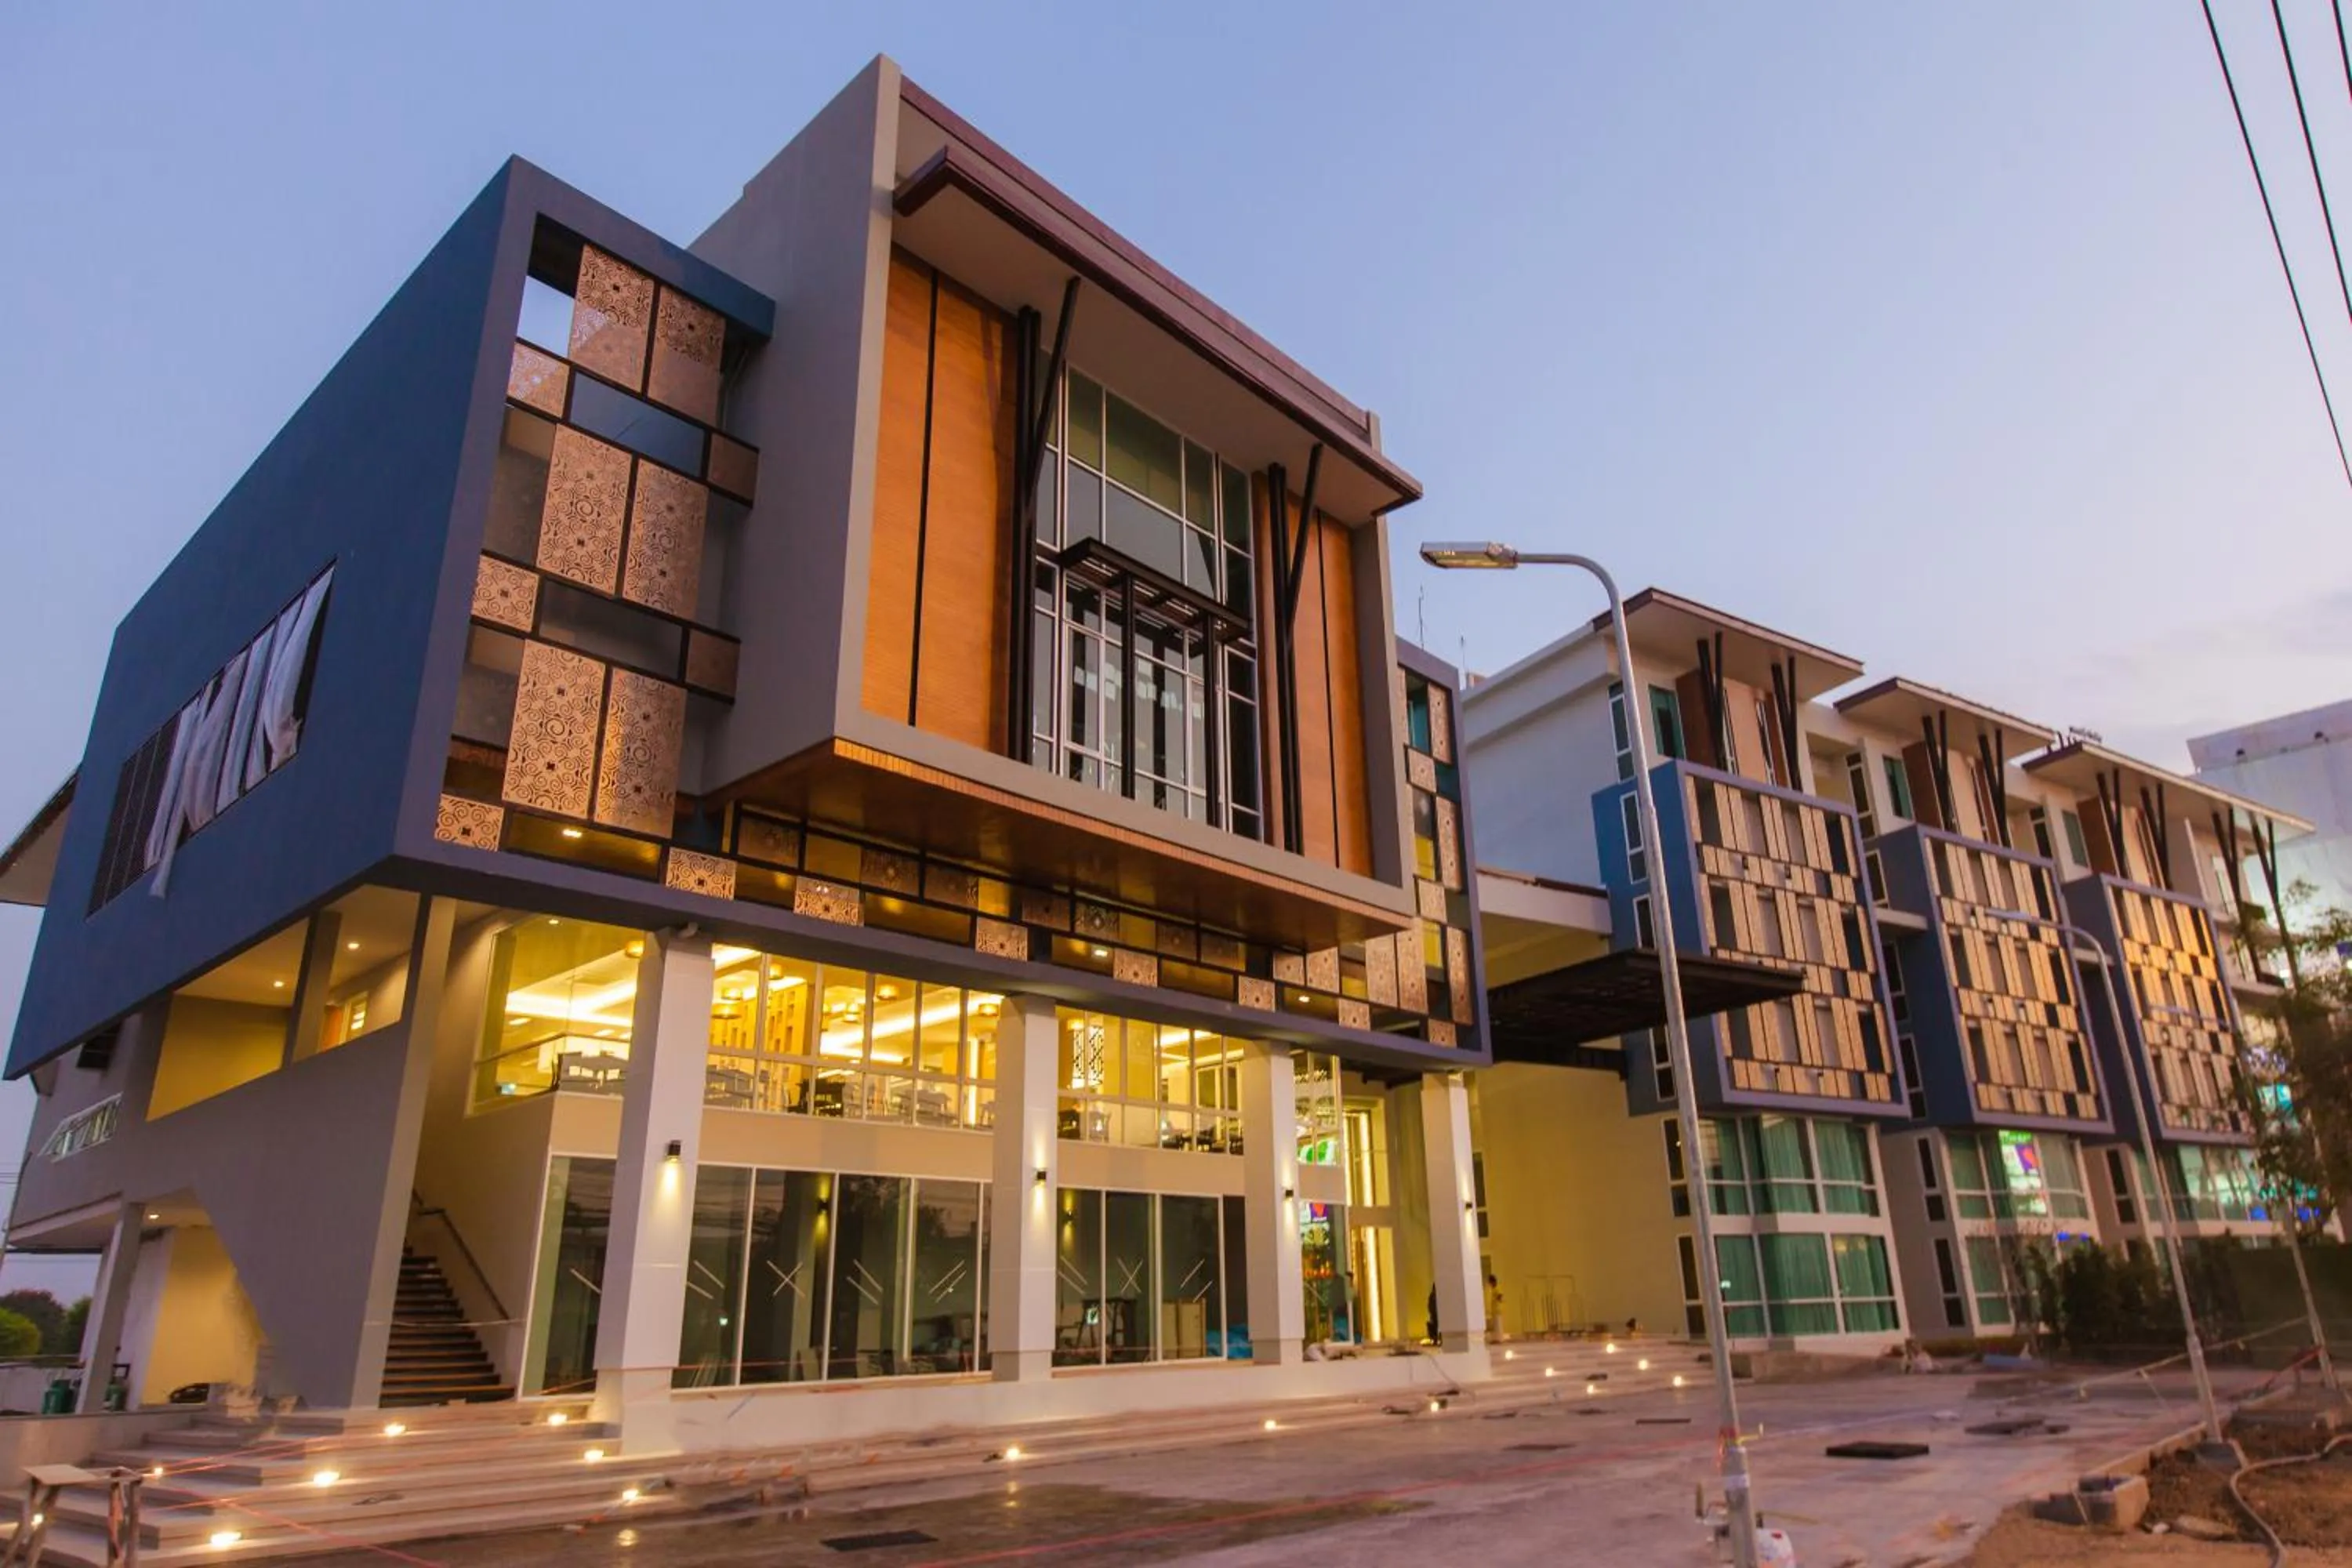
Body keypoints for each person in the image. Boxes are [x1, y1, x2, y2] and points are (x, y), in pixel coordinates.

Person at [1486, 1274, 1507, 1339]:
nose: (1490, 1284)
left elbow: (1500, 1296)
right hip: (1494, 1310)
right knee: (1496, 1326)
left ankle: (1499, 1338)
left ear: (1493, 1281)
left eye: (1490, 1282)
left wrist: (1496, 1299)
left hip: (1497, 1310)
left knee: (1498, 1325)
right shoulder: (1493, 1289)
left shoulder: (1497, 1288)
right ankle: (1497, 1338)